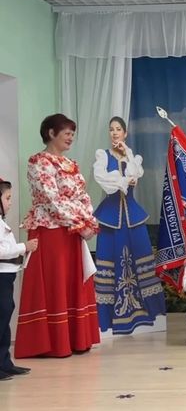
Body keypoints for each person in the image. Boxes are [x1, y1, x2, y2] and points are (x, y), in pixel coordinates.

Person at [15, 114, 101, 358]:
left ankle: (76, 339)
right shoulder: (39, 162)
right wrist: (80, 223)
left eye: (73, 134)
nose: (71, 137)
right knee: (55, 282)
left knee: (73, 281)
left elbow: (83, 196)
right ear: (51, 133)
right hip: (50, 230)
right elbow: (52, 199)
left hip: (71, 231)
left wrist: (89, 221)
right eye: (67, 133)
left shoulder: (71, 163)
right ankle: (53, 343)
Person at [93, 116, 165, 335]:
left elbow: (135, 174)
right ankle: (107, 322)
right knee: (109, 262)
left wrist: (128, 157)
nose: (114, 132)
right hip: (110, 218)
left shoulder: (134, 157)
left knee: (140, 260)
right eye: (111, 129)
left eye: (118, 129)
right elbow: (106, 183)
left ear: (125, 133)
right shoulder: (102, 156)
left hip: (132, 217)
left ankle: (149, 315)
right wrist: (123, 179)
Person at [0, 179, 38, 379]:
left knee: (5, 320)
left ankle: (4, 363)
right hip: (1, 276)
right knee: (1, 320)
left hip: (7, 277)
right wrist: (24, 247)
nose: (10, 202)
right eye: (7, 198)